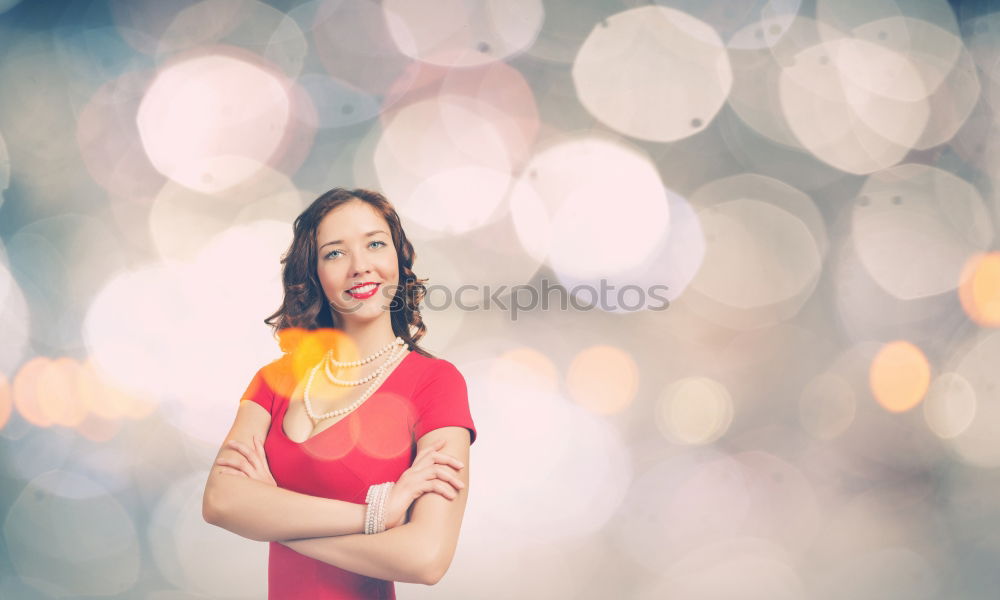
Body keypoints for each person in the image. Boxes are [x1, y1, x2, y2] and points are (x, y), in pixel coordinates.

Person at [202, 187, 478, 599]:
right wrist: (377, 515)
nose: (360, 266)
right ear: (313, 274)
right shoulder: (271, 382)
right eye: (335, 253)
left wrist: (272, 518)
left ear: (399, 261)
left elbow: (426, 557)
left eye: (375, 244)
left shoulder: (436, 383)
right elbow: (221, 502)